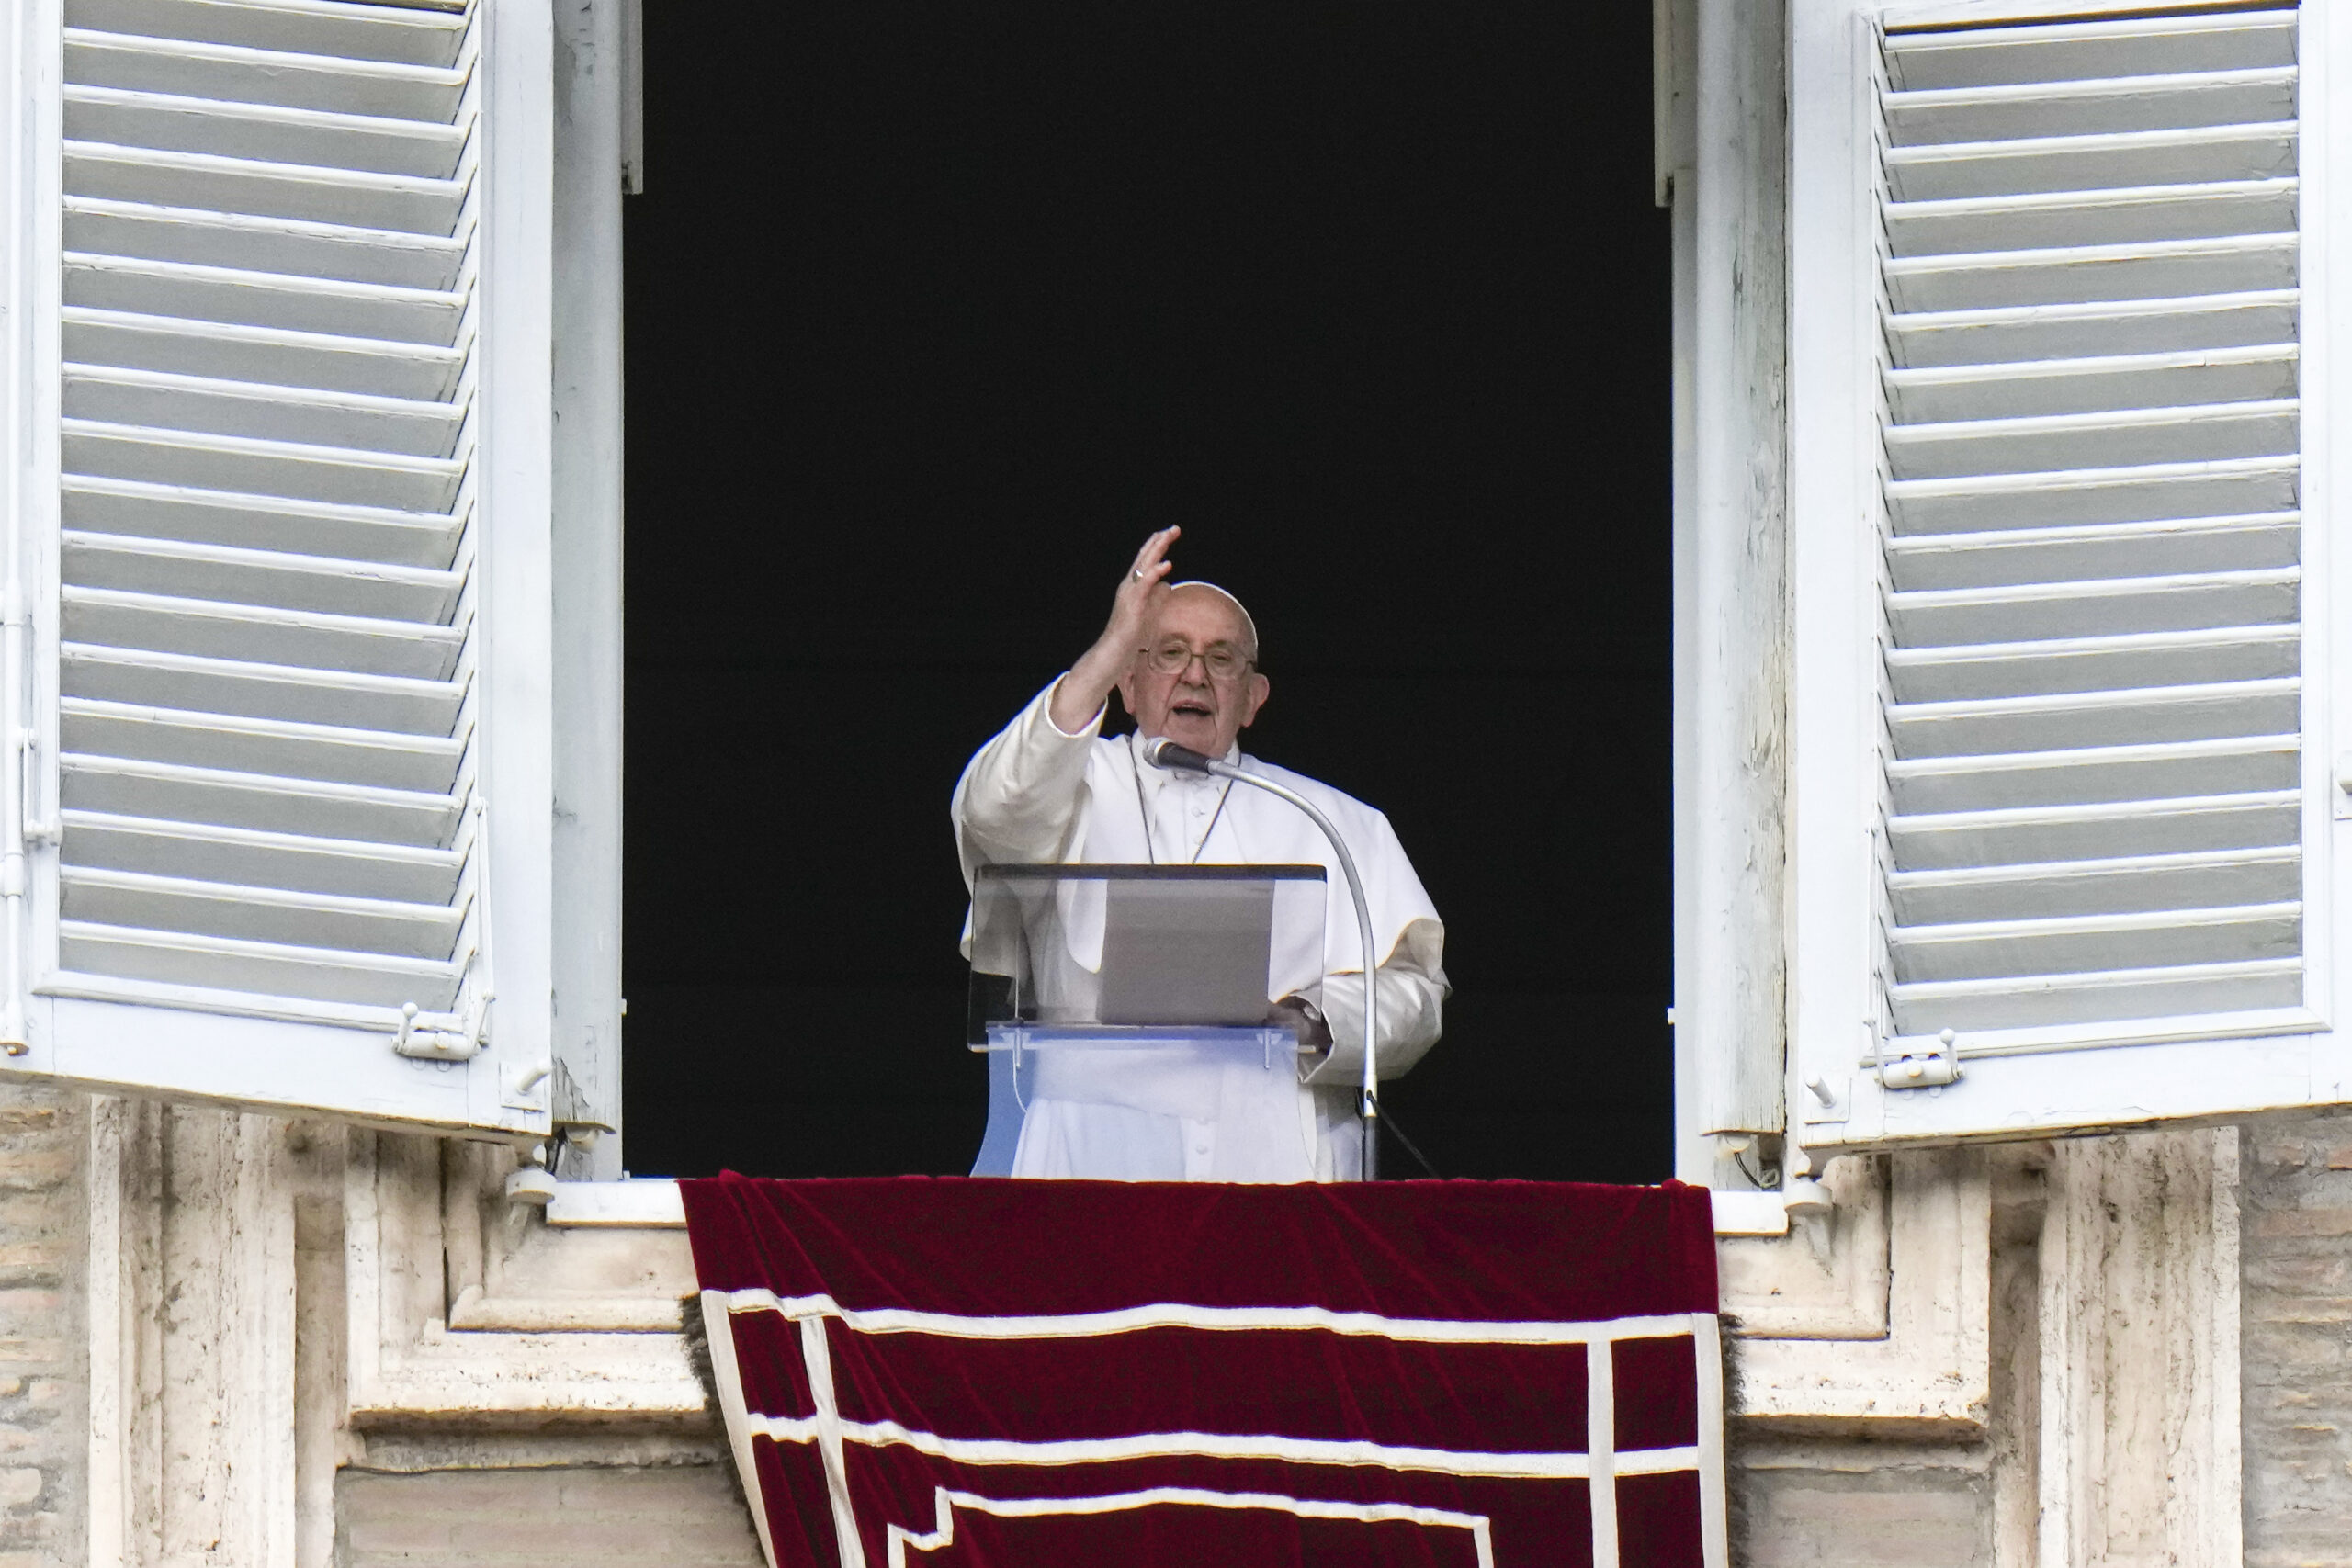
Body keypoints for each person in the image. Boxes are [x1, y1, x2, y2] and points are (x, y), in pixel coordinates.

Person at [954, 525, 1447, 1180]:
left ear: (1252, 698)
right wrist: (1109, 646)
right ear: (1127, 684)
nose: (1194, 673)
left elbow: (1417, 992)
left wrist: (1312, 1020)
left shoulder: (1330, 819)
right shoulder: (1071, 784)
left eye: (1222, 659)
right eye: (1168, 652)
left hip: (1273, 1157)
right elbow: (991, 808)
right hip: (1091, 1149)